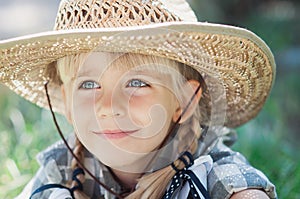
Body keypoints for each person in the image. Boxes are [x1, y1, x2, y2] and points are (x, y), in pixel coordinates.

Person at [0, 0, 277, 198]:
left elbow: (238, 186)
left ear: (186, 99)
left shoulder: (211, 171)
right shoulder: (62, 169)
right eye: (88, 84)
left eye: (136, 83)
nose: (107, 107)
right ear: (68, 103)